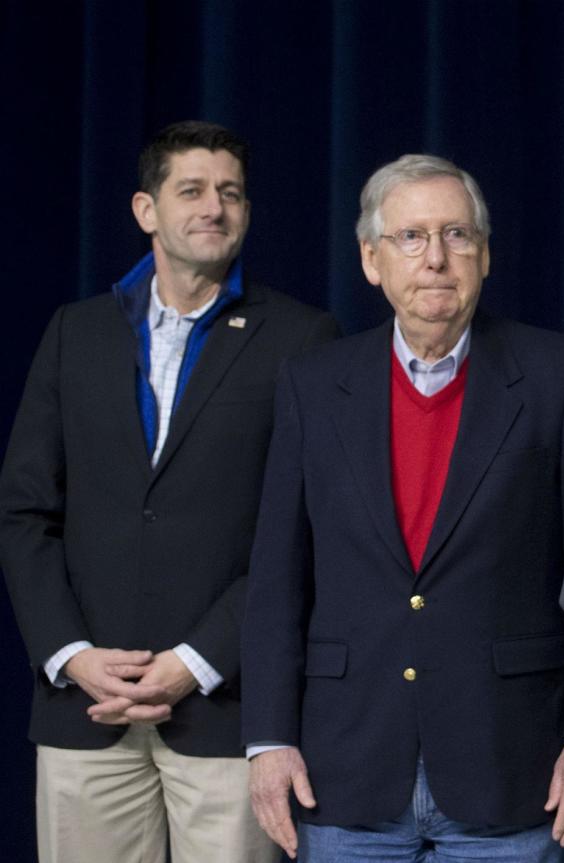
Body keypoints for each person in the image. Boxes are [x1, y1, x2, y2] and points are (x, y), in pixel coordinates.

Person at [242, 154, 564, 862]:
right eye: (412, 237)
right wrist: (269, 739)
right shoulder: (311, 384)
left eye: (457, 235)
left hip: (513, 769)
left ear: (484, 256)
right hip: (345, 771)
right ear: (371, 259)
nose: (436, 259)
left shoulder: (559, 375)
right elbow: (276, 579)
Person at [0, 120, 338, 862]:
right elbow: (25, 513)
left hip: (226, 709)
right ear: (145, 210)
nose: (213, 207)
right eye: (191, 189)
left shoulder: (302, 340)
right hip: (84, 705)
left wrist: (199, 657)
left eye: (230, 192)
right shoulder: (73, 332)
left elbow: (301, 533)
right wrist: (71, 652)